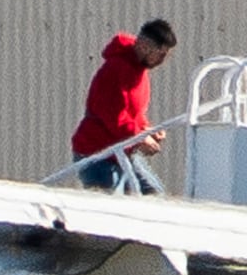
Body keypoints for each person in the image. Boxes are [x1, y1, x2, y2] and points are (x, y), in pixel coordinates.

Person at [71, 17, 177, 192]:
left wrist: (147, 130)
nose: (162, 60)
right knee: (110, 203)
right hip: (98, 156)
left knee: (153, 194)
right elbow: (115, 117)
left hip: (120, 152)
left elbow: (134, 114)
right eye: (161, 54)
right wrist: (141, 137)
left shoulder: (138, 72)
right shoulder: (115, 69)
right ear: (144, 45)